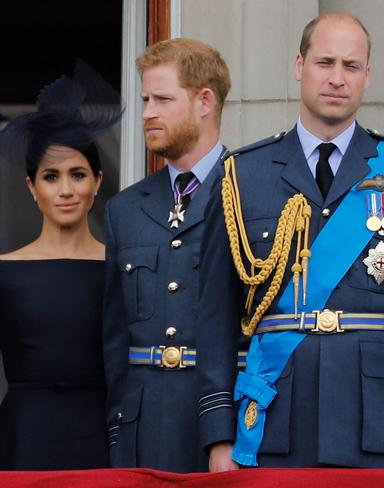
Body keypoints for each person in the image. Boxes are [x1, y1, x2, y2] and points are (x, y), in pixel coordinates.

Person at [197, 12, 384, 470]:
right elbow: (215, 318)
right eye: (325, 62)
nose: (337, 78)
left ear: (367, 76)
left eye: (351, 66)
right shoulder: (242, 175)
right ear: (299, 65)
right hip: (272, 424)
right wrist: (219, 436)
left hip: (379, 425)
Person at [103, 38, 232, 472]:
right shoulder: (125, 209)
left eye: (162, 99)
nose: (146, 113)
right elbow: (115, 338)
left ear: (205, 102)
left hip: (225, 424)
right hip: (143, 428)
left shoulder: (251, 193)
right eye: (144, 100)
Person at [0, 62, 122, 470]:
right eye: (51, 177)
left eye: (78, 174)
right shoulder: (4, 271)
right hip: (23, 437)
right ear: (32, 187)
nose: (66, 189)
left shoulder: (121, 269)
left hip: (104, 435)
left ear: (97, 181)